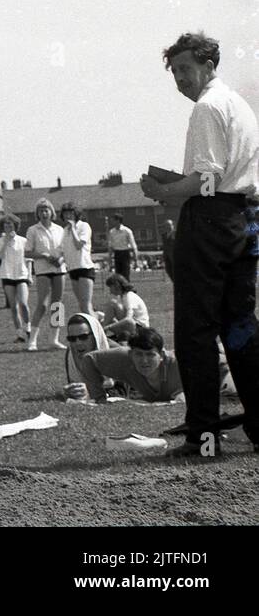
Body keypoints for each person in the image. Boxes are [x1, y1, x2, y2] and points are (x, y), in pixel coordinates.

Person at [139, 30, 259, 459]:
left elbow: (207, 179)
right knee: (240, 326)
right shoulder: (238, 104)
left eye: (186, 69)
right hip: (243, 219)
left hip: (209, 222)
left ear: (209, 66)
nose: (180, 79)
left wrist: (163, 191)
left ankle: (203, 437)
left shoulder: (207, 107)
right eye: (174, 71)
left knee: (196, 332)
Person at [76, 326, 184, 405]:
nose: (144, 361)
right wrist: (99, 399)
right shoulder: (125, 359)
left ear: (161, 355)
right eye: (139, 354)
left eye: (150, 354)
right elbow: (89, 359)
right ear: (131, 354)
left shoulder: (179, 364)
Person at [24, 200, 66, 351]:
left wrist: (60, 259)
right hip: (43, 270)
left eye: (46, 210)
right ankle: (32, 340)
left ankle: (54, 339)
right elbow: (27, 252)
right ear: (37, 214)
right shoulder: (33, 230)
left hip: (59, 269)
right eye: (41, 211)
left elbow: (65, 249)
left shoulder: (59, 229)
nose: (44, 213)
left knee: (57, 305)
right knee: (42, 304)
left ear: (51, 212)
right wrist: (44, 255)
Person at [0, 213, 31, 344]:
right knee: (13, 306)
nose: (8, 227)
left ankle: (28, 328)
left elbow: (28, 259)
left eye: (10, 225)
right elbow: (0, 256)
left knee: (23, 303)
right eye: (6, 225)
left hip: (21, 275)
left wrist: (30, 275)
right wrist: (6, 241)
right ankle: (19, 334)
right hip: (7, 275)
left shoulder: (23, 241)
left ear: (15, 226)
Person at [60, 311, 111, 400]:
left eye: (83, 337)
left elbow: (125, 391)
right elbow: (73, 383)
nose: (78, 343)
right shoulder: (70, 354)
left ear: (95, 336)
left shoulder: (114, 352)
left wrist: (91, 390)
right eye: (72, 339)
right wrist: (71, 391)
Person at [60, 203, 96, 315]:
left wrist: (73, 229)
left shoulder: (84, 226)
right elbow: (64, 250)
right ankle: (101, 318)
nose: (68, 216)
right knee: (82, 305)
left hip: (85, 268)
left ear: (76, 214)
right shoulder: (64, 230)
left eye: (70, 213)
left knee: (86, 305)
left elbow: (78, 245)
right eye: (65, 214)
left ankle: (97, 325)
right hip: (73, 269)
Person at [103, 272, 150, 341]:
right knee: (107, 315)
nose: (110, 291)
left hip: (140, 329)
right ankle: (104, 333)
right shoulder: (122, 297)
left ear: (116, 286)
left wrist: (109, 327)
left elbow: (128, 319)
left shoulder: (129, 296)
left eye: (110, 287)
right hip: (133, 326)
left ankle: (103, 332)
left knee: (112, 303)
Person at [106, 214, 138, 281]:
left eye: (113, 220)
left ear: (118, 220)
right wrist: (110, 259)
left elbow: (133, 246)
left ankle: (127, 286)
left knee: (125, 274)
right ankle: (120, 287)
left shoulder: (127, 231)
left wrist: (136, 260)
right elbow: (110, 246)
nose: (112, 222)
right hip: (117, 253)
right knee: (118, 275)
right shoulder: (112, 232)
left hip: (125, 253)